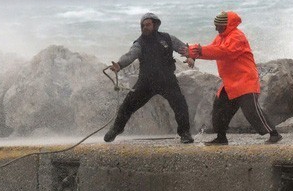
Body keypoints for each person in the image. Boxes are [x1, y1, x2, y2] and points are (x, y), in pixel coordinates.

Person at [187, 11, 281, 145]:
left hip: (245, 79)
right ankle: (221, 138)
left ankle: (274, 134)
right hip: (230, 82)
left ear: (227, 25)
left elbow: (224, 52)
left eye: (218, 25)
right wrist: (192, 53)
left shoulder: (237, 36)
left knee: (251, 110)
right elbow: (212, 49)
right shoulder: (221, 37)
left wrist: (198, 51)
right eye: (215, 25)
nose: (216, 28)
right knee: (219, 108)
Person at [105, 12, 196, 144]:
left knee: (180, 104)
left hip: (167, 80)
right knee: (127, 105)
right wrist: (119, 65)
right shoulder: (139, 43)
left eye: (148, 24)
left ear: (155, 25)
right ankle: (116, 129)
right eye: (143, 25)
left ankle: (185, 134)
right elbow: (131, 55)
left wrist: (190, 57)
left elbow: (185, 49)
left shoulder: (167, 38)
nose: (145, 27)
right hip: (146, 82)